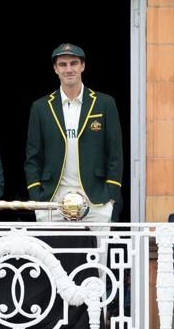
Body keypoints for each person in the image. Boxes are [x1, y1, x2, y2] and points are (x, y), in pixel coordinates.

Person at [24, 44, 123, 223]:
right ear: (55, 69)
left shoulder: (105, 103)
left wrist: (111, 194)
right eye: (62, 64)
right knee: (51, 251)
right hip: (53, 196)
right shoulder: (41, 106)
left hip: (96, 197)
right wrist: (36, 194)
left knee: (97, 251)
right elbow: (33, 156)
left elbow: (115, 153)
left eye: (73, 63)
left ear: (82, 66)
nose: (68, 69)